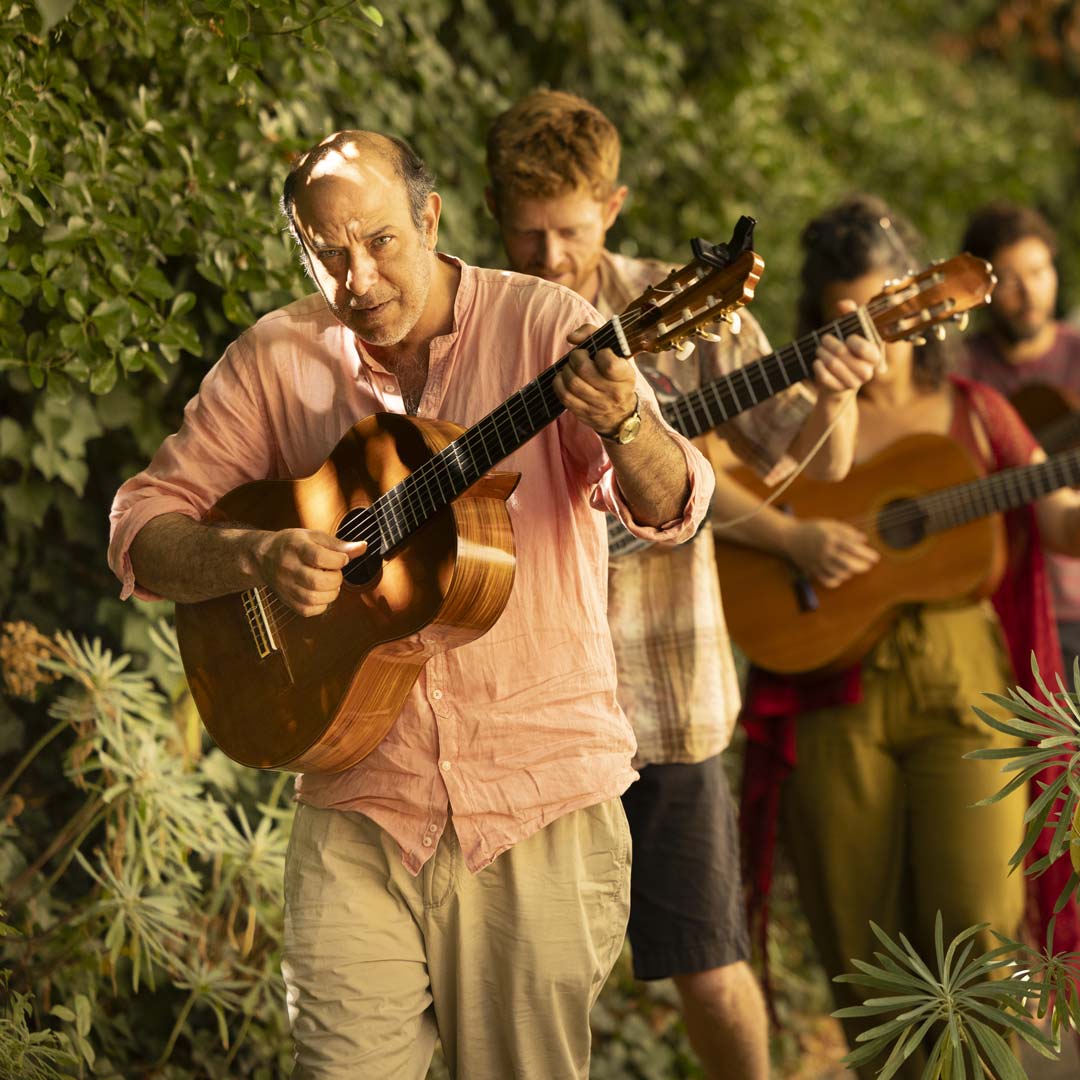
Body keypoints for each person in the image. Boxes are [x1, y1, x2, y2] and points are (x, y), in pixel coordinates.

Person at [107, 130, 716, 1080]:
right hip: (357, 795)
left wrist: (628, 420)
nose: (359, 276)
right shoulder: (277, 357)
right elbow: (142, 521)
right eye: (329, 251)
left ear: (430, 219)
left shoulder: (545, 324)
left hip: (535, 803)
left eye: (381, 241)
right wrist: (256, 556)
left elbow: (672, 501)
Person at [485, 90, 882, 1080]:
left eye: (569, 231)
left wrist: (834, 397)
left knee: (708, 968)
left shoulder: (682, 298)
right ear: (494, 212)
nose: (547, 257)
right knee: (518, 975)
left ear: (611, 205)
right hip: (519, 701)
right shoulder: (474, 319)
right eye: (526, 233)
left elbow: (808, 461)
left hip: (662, 691)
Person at [731, 193, 1080, 1079]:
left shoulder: (975, 411)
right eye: (847, 314)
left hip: (962, 679)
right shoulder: (792, 416)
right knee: (865, 944)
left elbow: (1059, 522)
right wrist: (802, 522)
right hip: (832, 692)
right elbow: (735, 503)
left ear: (922, 306)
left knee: (980, 926)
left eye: (884, 305)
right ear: (818, 320)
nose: (871, 329)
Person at [956, 202, 1080, 663]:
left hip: (1071, 605)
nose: (1030, 293)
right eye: (1010, 279)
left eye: (1040, 271)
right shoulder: (957, 371)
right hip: (979, 602)